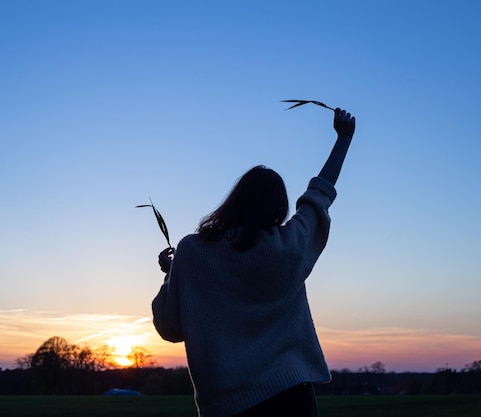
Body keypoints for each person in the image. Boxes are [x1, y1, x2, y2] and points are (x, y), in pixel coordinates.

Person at [152, 107, 356, 417]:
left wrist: (173, 274)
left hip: (228, 408)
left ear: (235, 200)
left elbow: (169, 327)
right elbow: (319, 195)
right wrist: (343, 139)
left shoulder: (192, 252)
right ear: (278, 208)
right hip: (292, 399)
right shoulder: (287, 248)